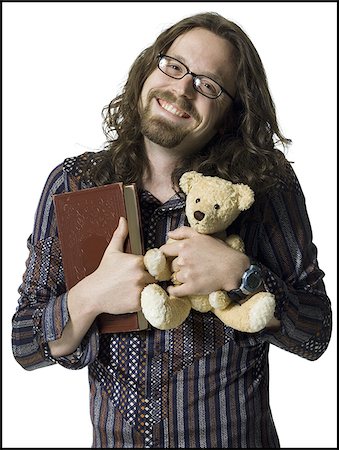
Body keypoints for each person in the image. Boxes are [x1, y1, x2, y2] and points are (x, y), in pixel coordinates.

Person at [12, 11, 332, 449]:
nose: (181, 89)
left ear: (229, 115)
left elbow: (315, 333)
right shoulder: (76, 183)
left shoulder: (262, 186)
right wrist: (92, 295)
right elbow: (25, 341)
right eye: (174, 66)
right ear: (149, 68)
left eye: (208, 86)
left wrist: (243, 275)